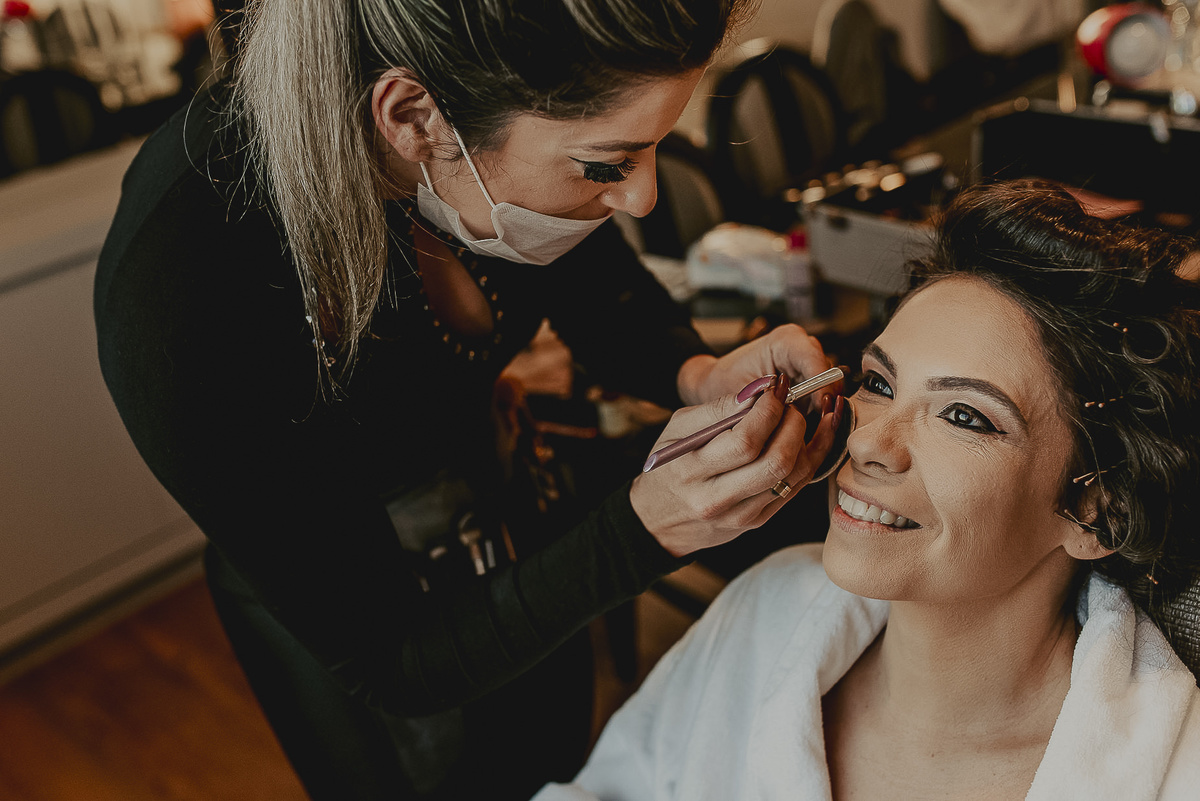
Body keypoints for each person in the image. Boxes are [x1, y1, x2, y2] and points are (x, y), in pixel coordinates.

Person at [93, 1, 847, 799]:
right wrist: (647, 527)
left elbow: (589, 273)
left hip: (512, 517)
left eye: (651, 149)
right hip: (373, 626)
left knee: (556, 766)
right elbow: (397, 660)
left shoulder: (486, 120)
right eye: (606, 165)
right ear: (414, 117)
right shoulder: (183, 288)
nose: (642, 199)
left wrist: (694, 370)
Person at [533, 179, 1200, 800]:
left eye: (966, 416)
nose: (865, 441)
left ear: (1096, 512)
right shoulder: (766, 614)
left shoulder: (1174, 769)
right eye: (879, 384)